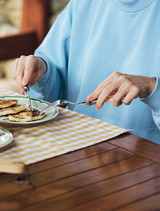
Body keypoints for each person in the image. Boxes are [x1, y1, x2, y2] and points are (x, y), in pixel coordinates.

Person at [12, 0, 160, 144]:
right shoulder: (82, 4)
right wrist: (42, 71)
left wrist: (152, 87)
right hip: (76, 144)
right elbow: (52, 92)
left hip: (144, 157)